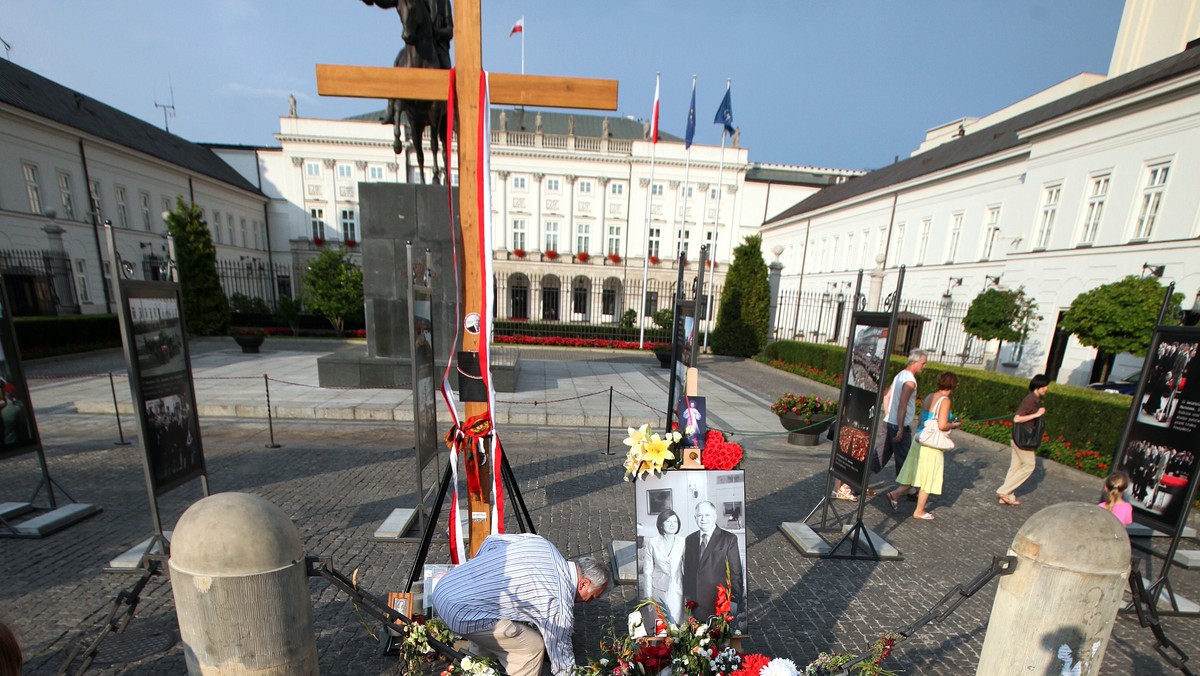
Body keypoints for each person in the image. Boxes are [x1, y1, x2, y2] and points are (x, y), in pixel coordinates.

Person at [430, 533, 609, 676]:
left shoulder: (543, 544)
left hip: (444, 587)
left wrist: (482, 574)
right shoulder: (559, 600)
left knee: (504, 630)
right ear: (583, 583)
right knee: (530, 648)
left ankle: (468, 667)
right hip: (459, 612)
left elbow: (491, 541)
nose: (589, 602)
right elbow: (560, 654)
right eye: (593, 596)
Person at [885, 371, 960, 520]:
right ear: (953, 386)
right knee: (928, 476)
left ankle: (895, 494)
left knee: (915, 472)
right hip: (931, 444)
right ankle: (919, 510)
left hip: (920, 437)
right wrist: (955, 424)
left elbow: (920, 419)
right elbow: (942, 424)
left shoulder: (929, 397)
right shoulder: (945, 400)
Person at [682, 501, 743, 627]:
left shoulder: (728, 539)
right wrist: (687, 597)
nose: (703, 519)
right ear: (695, 518)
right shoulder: (690, 539)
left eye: (707, 515)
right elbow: (688, 571)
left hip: (718, 603)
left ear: (715, 517)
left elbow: (735, 572)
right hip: (696, 604)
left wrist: (734, 601)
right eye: (699, 515)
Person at [996, 374, 1050, 506]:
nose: (1046, 389)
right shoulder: (1030, 400)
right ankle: (1004, 491)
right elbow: (1017, 418)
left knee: (1015, 466)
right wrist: (1037, 414)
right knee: (1029, 465)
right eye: (1044, 386)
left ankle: (1007, 496)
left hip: (1018, 438)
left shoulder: (1034, 399)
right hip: (1023, 439)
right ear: (1038, 387)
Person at [873, 350, 928, 478]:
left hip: (890, 422)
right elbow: (902, 406)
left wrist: (888, 416)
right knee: (904, 460)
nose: (924, 367)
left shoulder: (900, 375)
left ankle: (857, 484)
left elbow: (887, 397)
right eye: (923, 363)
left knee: (880, 457)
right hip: (899, 425)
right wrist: (901, 428)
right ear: (914, 363)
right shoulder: (910, 382)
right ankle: (905, 490)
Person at [641, 509, 685, 624]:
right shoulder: (652, 543)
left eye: (675, 522)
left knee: (676, 626)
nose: (672, 524)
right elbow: (647, 571)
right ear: (661, 524)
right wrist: (648, 596)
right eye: (668, 521)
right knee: (660, 625)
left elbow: (688, 569)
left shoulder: (683, 542)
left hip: (677, 589)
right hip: (658, 590)